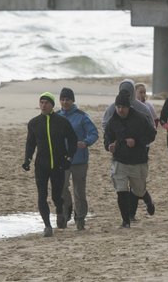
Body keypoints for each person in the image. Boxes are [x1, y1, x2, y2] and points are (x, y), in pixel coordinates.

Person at [23, 92, 78, 237]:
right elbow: (30, 143)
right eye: (41, 102)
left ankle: (60, 210)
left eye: (46, 103)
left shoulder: (61, 121)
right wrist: (27, 159)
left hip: (59, 165)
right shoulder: (34, 123)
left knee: (56, 195)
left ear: (52, 105)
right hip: (41, 165)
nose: (43, 105)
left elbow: (72, 140)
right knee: (42, 195)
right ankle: (47, 226)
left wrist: (69, 157)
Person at [104, 88, 157, 228]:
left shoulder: (140, 118)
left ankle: (147, 199)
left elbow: (152, 134)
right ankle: (125, 221)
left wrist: (137, 141)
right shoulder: (112, 121)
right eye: (118, 107)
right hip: (119, 161)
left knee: (138, 190)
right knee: (121, 191)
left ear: (129, 107)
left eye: (123, 107)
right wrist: (109, 146)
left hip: (138, 160)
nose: (120, 110)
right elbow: (107, 138)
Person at [57, 87, 99, 231]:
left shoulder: (82, 116)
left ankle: (80, 218)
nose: (65, 102)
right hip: (62, 159)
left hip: (79, 160)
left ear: (73, 100)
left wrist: (86, 142)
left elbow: (94, 133)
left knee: (79, 191)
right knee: (61, 188)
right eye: (62, 99)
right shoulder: (56, 116)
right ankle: (66, 210)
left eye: (67, 99)